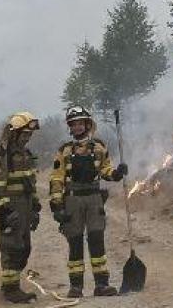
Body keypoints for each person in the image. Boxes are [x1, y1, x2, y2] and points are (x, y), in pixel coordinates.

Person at [48, 105, 127, 298]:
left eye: (80, 123)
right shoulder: (64, 151)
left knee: (96, 241)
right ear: (70, 126)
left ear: (87, 124)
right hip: (73, 200)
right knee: (75, 242)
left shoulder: (99, 147)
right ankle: (76, 287)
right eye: (73, 124)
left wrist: (116, 174)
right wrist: (56, 204)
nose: (77, 127)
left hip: (94, 199)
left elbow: (105, 170)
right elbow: (57, 178)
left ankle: (101, 284)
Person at [0, 111, 41, 304]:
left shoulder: (25, 154)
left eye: (29, 135)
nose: (27, 138)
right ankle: (10, 290)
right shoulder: (4, 153)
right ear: (14, 133)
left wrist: (35, 206)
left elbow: (29, 182)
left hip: (25, 205)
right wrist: (4, 210)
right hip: (11, 206)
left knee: (25, 247)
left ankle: (12, 286)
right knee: (12, 248)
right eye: (24, 134)